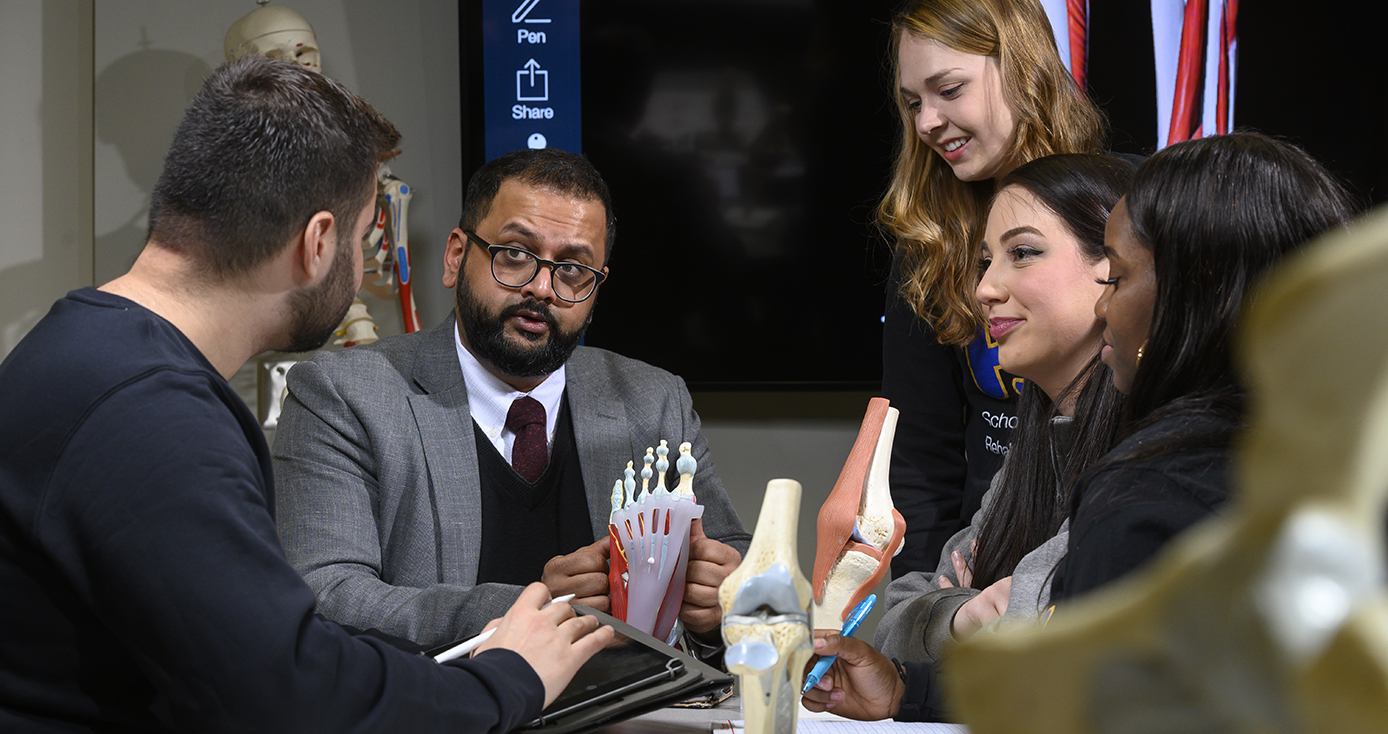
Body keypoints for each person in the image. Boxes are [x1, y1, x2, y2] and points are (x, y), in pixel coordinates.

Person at [0, 56, 612, 733]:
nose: (363, 264)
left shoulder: (88, 351)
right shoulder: (151, 414)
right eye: (361, 240)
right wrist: (510, 676)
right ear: (318, 242)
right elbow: (289, 695)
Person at [802, 132, 1357, 723]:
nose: (984, 289)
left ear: (1194, 288)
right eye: (986, 261)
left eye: (1118, 275)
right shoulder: (1051, 443)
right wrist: (941, 646)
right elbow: (920, 619)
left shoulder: (1163, 485)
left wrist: (1003, 612)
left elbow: (1061, 657)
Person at [272, 148, 752, 653]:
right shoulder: (344, 395)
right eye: (517, 254)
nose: (543, 288)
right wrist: (535, 607)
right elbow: (325, 597)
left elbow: (735, 560)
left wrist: (721, 601)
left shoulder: (652, 401)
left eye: (572, 269)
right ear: (456, 256)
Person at [1050, 131, 1358, 600]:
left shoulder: (1146, 503)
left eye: (1116, 277)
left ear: (1196, 291)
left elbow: (1085, 675)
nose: (1102, 308)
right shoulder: (1351, 465)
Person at [878, 0, 1108, 580]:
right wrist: (929, 626)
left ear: (1022, 68)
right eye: (913, 103)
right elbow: (921, 468)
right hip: (985, 564)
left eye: (949, 89)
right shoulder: (929, 244)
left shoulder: (1131, 207)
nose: (926, 121)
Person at [875, 154, 1130, 665]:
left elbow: (1036, 633)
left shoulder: (1151, 447)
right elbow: (893, 625)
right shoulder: (1035, 444)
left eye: (1024, 252)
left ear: (1115, 266)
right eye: (987, 261)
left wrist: (955, 613)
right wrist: (966, 615)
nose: (984, 290)